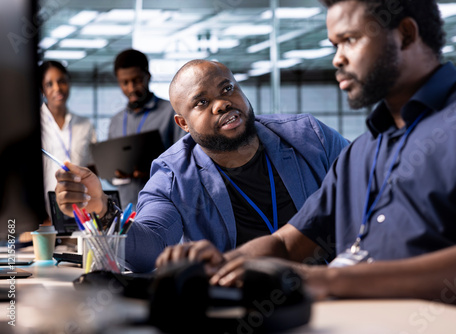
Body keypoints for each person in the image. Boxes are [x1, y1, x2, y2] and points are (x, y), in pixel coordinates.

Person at [155, 0, 456, 309]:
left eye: (350, 40)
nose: (337, 58)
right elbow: (287, 245)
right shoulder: (364, 151)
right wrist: (224, 264)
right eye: (335, 45)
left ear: (406, 34)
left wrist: (325, 280)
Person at [54, 60, 350, 273]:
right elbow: (150, 250)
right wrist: (104, 212)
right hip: (239, 305)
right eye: (201, 102)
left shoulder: (309, 137)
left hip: (333, 287)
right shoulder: (172, 176)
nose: (221, 104)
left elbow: (370, 183)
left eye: (227, 88)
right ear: (183, 124)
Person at [108, 49, 185, 210]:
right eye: (125, 82)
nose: (131, 88)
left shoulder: (171, 113)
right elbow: (110, 175)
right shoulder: (116, 121)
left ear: (148, 76)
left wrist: (151, 170)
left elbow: (185, 163)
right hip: (124, 210)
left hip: (162, 207)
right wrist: (114, 172)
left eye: (137, 80)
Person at [39, 60, 96, 221]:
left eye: (62, 81)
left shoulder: (85, 125)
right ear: (42, 90)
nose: (57, 88)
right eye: (49, 84)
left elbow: (93, 169)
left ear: (69, 83)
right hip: (43, 214)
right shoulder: (32, 125)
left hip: (81, 211)